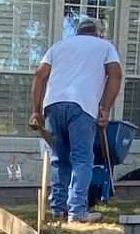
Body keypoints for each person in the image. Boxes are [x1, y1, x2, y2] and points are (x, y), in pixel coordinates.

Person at [29, 14, 122, 222]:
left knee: (60, 158)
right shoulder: (105, 46)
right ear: (97, 33)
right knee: (82, 158)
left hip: (53, 105)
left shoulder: (58, 47)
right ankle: (77, 212)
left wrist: (36, 111)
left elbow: (39, 76)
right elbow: (115, 75)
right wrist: (106, 109)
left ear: (77, 32)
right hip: (82, 105)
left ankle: (58, 209)